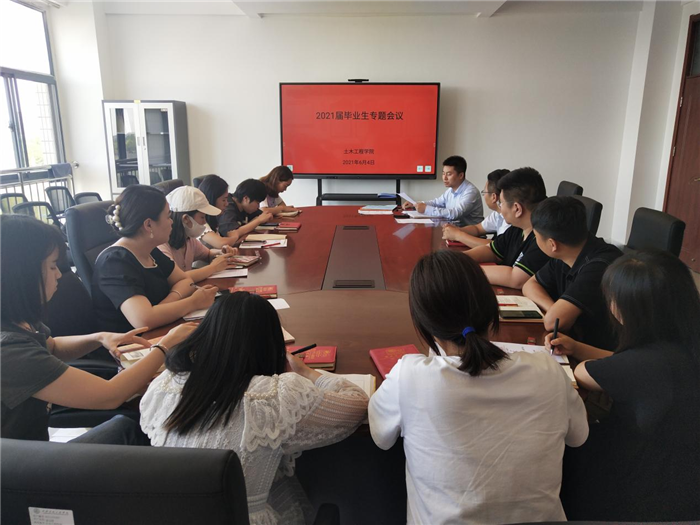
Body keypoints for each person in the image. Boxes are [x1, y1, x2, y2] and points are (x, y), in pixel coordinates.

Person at [368, 250, 588, 524]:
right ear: (491, 309)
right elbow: (578, 437)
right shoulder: (548, 370)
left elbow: (381, 437)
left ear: (426, 325)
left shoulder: (410, 376)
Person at [140, 292, 369, 525]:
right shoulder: (273, 395)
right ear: (270, 344)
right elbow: (357, 404)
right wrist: (306, 373)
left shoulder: (164, 385)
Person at [0, 214, 197, 443]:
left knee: (128, 426)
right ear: (21, 273)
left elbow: (50, 346)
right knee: (137, 428)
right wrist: (165, 346)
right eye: (53, 266)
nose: (59, 274)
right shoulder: (9, 350)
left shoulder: (18, 319)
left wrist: (98, 338)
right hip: (22, 462)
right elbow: (110, 395)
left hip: (31, 452)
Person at [549, 250, 700, 521]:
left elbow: (584, 373)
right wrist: (577, 347)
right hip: (683, 473)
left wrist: (580, 355)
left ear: (628, 309)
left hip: (645, 490)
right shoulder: (680, 344)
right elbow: (627, 365)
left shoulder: (648, 363)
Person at [92, 185, 217, 333]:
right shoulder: (114, 262)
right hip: (134, 343)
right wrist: (193, 302)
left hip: (161, 331)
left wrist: (164, 305)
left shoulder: (150, 250)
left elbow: (185, 281)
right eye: (168, 216)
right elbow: (143, 319)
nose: (172, 222)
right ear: (148, 224)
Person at [523, 196, 622, 350]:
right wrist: (553, 308)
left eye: (536, 237)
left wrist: (556, 314)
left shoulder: (599, 266)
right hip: (577, 344)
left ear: (552, 244)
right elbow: (530, 285)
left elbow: (552, 323)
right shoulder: (568, 251)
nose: (536, 241)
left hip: (605, 354)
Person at [465, 167, 549, 289]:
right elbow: (492, 250)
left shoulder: (543, 237)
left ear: (517, 209)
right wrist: (460, 259)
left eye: (501, 203)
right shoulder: (517, 228)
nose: (500, 208)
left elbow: (516, 279)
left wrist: (465, 270)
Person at [158, 185, 239, 282]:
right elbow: (177, 278)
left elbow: (207, 254)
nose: (204, 222)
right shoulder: (161, 245)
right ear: (186, 219)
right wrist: (213, 267)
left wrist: (221, 252)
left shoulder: (189, 239)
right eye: (202, 217)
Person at [402, 155, 483, 226]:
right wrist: (415, 204)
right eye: (443, 173)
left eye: (449, 174)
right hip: (454, 231)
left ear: (461, 175)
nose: (444, 178)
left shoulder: (471, 192)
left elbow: (455, 213)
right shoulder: (450, 190)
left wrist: (426, 209)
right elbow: (436, 203)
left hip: (470, 235)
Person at [442, 168, 510, 247]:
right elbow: (478, 228)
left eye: (484, 192)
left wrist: (458, 235)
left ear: (493, 197)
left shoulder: (511, 219)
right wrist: (456, 230)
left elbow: (496, 247)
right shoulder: (497, 214)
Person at [196, 174, 239, 249]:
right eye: (223, 200)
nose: (227, 204)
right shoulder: (200, 221)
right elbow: (220, 243)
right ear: (211, 199)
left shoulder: (212, 218)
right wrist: (234, 237)